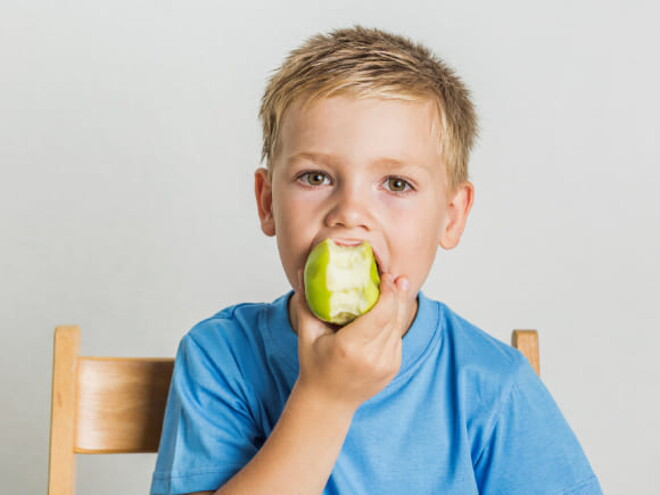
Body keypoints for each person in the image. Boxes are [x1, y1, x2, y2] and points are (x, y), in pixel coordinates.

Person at [150, 26, 602, 495]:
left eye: (396, 184)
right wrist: (325, 398)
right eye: (315, 176)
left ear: (451, 216)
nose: (349, 213)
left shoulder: (492, 387)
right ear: (267, 203)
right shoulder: (223, 359)